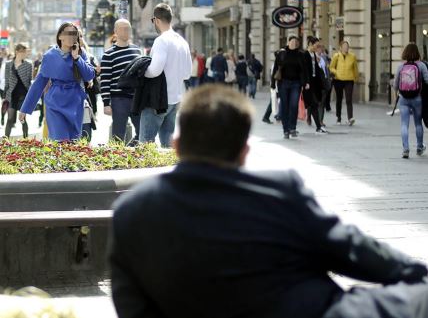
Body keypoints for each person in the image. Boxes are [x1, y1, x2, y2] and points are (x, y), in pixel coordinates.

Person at [110, 84, 428, 318]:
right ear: (245, 150)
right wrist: (417, 274)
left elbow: (132, 307)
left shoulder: (132, 211)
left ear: (176, 145)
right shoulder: (280, 193)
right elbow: (352, 251)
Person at [19, 23, 95, 141]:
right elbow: (39, 84)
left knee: (73, 144)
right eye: (68, 33)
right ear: (60, 36)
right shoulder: (49, 56)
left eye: (74, 34)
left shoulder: (81, 53)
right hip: (55, 103)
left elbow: (89, 75)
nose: (71, 37)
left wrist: (77, 58)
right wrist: (25, 109)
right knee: (60, 142)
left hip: (75, 102)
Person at [140, 3, 192, 148]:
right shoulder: (182, 41)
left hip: (158, 98)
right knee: (168, 143)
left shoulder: (162, 40)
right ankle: (169, 169)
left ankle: (148, 171)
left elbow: (155, 70)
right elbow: (187, 73)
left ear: (156, 20)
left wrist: (141, 72)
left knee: (146, 142)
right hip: (175, 98)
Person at [101, 19, 142, 144]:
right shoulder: (108, 54)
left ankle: (131, 151)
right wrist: (106, 103)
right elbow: (105, 80)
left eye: (128, 28)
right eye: (123, 28)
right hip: (119, 99)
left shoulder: (137, 51)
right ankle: (117, 160)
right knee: (118, 135)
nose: (126, 31)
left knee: (143, 132)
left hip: (137, 98)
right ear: (116, 32)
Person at [394, 43, 428, 158]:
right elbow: (427, 80)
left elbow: (395, 84)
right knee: (418, 123)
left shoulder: (401, 67)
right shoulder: (421, 66)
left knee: (404, 124)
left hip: (403, 99)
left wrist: (397, 92)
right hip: (417, 98)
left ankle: (406, 149)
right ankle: (419, 147)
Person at [271, 36, 308, 139]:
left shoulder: (300, 55)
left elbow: (304, 70)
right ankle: (285, 130)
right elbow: (275, 68)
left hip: (296, 83)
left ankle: (292, 128)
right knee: (285, 106)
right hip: (283, 83)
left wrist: (306, 82)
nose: (293, 43)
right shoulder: (282, 54)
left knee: (294, 105)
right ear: (288, 43)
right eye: (292, 42)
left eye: (295, 42)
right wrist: (273, 83)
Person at [4, 44, 32, 138]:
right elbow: (7, 81)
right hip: (11, 95)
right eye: (23, 52)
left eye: (25, 52)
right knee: (10, 119)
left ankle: (26, 140)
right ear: (17, 51)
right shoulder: (8, 64)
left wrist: (31, 97)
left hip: (23, 95)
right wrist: (5, 96)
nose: (24, 54)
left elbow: (29, 81)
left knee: (22, 119)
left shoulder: (28, 65)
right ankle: (5, 141)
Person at [330, 40, 359, 125]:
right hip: (338, 80)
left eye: (347, 46)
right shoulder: (336, 56)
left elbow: (355, 68)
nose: (346, 48)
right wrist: (336, 72)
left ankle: (350, 118)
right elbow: (331, 67)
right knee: (339, 99)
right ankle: (338, 117)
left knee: (349, 99)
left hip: (349, 80)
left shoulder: (352, 56)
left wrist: (356, 78)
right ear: (341, 47)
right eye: (344, 46)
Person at [303, 36, 327, 134]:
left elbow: (316, 70)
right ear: (310, 45)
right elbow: (304, 70)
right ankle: (318, 126)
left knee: (314, 105)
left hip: (314, 83)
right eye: (316, 46)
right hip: (308, 84)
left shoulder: (313, 54)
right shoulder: (305, 55)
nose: (317, 48)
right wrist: (305, 82)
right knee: (313, 104)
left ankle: (318, 126)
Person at [0, 49, 7, 126]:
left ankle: (3, 117)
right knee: (4, 102)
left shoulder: (7, 62)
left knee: (5, 102)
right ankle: (2, 117)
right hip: (3, 85)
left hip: (4, 85)